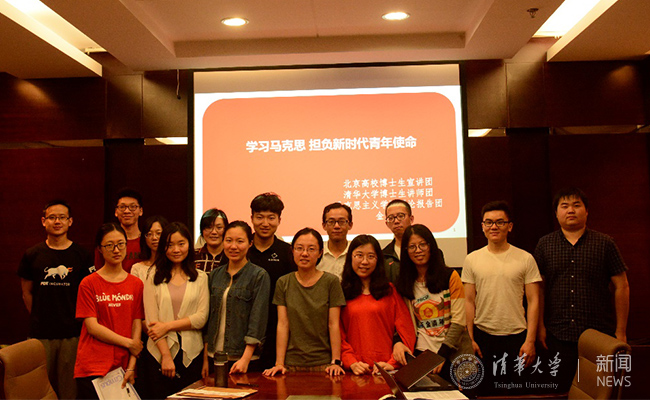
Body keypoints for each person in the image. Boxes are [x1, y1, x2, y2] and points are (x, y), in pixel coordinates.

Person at [535, 187, 629, 392]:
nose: (571, 210)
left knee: (598, 391)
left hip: (599, 335)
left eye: (576, 205)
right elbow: (538, 290)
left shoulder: (605, 243)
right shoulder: (545, 244)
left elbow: (622, 286)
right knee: (560, 390)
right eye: (565, 206)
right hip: (557, 334)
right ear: (556, 213)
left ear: (586, 211)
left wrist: (620, 331)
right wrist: (540, 326)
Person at [462, 201, 541, 395]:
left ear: (509, 226)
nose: (494, 227)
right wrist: (469, 339)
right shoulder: (472, 259)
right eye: (488, 222)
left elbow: (534, 301)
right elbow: (468, 301)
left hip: (517, 337)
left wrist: (530, 341)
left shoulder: (525, 258)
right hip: (483, 337)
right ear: (482, 226)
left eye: (500, 222)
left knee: (516, 393)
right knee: (485, 393)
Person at [18, 200, 94, 399]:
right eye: (52, 217)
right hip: (40, 334)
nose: (57, 221)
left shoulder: (82, 255)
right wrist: (39, 317)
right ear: (44, 221)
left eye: (62, 217)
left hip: (72, 334)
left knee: (69, 390)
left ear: (70, 221)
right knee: (38, 388)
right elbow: (27, 293)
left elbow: (88, 295)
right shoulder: (32, 254)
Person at [74, 223, 144, 400]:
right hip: (93, 366)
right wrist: (129, 343)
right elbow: (92, 327)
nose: (116, 250)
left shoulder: (136, 284)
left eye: (121, 244)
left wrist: (131, 366)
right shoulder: (88, 283)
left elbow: (136, 325)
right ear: (99, 249)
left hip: (124, 366)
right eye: (109, 245)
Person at [263, 228, 346, 377]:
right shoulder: (283, 282)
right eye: (299, 248)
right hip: (290, 364)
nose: (305, 253)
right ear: (292, 251)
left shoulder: (331, 282)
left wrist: (336, 361)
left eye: (311, 249)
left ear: (320, 253)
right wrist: (279, 363)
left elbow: (333, 324)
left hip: (325, 364)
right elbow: (283, 324)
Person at [396, 224, 472, 383]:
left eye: (422, 244)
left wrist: (441, 355)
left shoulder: (450, 276)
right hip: (422, 355)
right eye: (412, 247)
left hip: (453, 354)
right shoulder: (405, 283)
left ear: (431, 246)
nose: (418, 250)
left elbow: (459, 322)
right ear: (406, 251)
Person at [143, 222, 209, 399]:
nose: (176, 250)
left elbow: (201, 318)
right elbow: (152, 322)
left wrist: (167, 326)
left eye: (181, 244)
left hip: (191, 352)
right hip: (159, 352)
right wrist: (165, 356)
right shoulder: (153, 275)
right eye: (170, 245)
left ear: (189, 244)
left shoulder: (200, 278)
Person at [340, 235, 415, 375]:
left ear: (378, 260)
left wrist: (392, 363)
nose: (364, 261)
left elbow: (407, 331)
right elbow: (338, 336)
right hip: (354, 371)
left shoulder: (389, 291)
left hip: (385, 370)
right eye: (359, 255)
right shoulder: (341, 292)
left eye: (371, 256)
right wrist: (351, 362)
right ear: (350, 258)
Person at [203, 221, 270, 375]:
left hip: (243, 359)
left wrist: (245, 359)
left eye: (240, 241)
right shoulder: (215, 275)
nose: (233, 246)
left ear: (250, 243)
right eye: (229, 240)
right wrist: (206, 359)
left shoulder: (259, 276)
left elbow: (258, 320)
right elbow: (209, 320)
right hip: (214, 356)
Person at [247, 192, 294, 368]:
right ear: (252, 218)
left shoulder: (288, 252)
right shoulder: (241, 248)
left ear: (279, 220)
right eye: (260, 217)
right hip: (244, 328)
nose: (265, 223)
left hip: (277, 329)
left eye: (271, 218)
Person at [94, 188, 144, 273]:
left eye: (132, 207)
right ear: (116, 212)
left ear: (140, 211)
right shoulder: (106, 242)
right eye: (122, 207)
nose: (127, 211)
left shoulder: (147, 241)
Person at [317, 202, 353, 280]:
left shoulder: (355, 253)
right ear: (324, 226)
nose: (336, 226)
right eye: (331, 222)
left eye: (341, 221)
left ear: (350, 225)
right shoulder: (316, 254)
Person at [382, 199, 414, 284]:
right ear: (387, 224)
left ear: (411, 219)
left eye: (401, 216)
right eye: (391, 218)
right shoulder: (384, 256)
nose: (396, 221)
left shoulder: (424, 251)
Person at [131, 215, 169, 282]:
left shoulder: (174, 266)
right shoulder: (137, 268)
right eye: (149, 234)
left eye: (158, 233)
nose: (154, 238)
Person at [195, 208, 229, 273]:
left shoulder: (231, 256)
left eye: (219, 227)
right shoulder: (192, 256)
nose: (214, 232)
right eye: (208, 227)